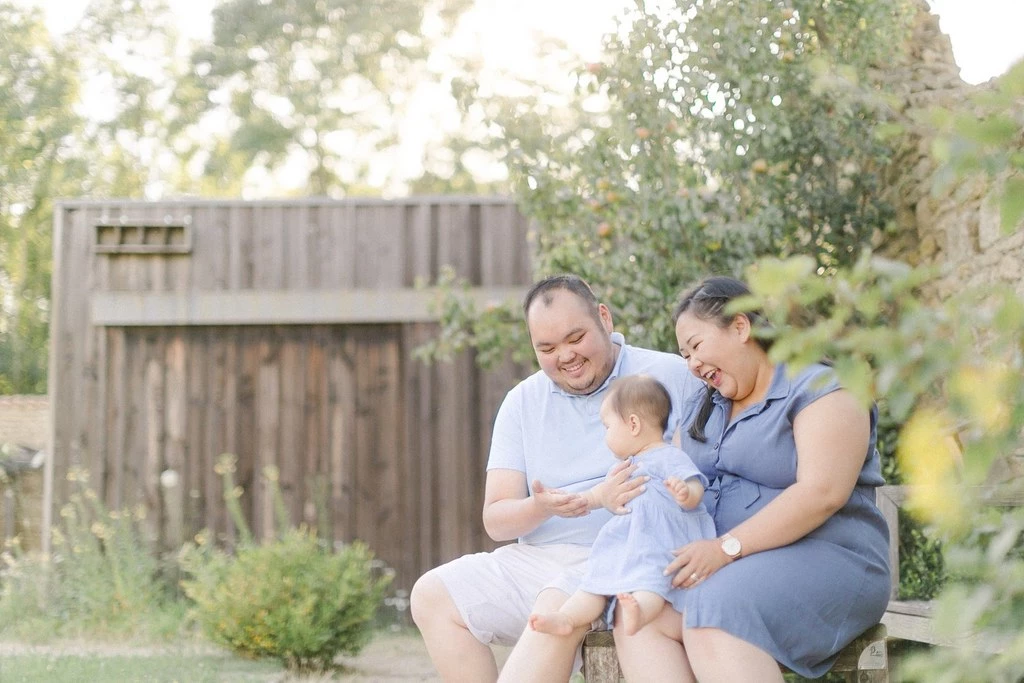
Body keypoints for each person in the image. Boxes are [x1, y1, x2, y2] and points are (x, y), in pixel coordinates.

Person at [409, 274, 703, 683]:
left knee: (548, 615)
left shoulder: (671, 376)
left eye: (575, 338)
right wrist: (539, 506)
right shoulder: (522, 401)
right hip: (538, 559)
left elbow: (704, 479)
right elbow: (496, 520)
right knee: (431, 595)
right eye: (546, 348)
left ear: (604, 317)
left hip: (626, 557)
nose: (565, 356)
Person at [611, 275, 891, 682]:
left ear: (740, 327)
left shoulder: (822, 387)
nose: (690, 363)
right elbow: (671, 472)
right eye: (684, 355)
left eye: (696, 346)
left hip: (831, 558)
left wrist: (725, 548)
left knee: (713, 608)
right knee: (638, 616)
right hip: (725, 565)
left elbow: (822, 493)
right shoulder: (702, 407)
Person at [528, 374, 716, 639]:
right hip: (624, 543)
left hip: (659, 542)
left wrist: (687, 494)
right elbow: (600, 496)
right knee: (594, 581)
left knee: (649, 580)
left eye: (607, 427)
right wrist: (580, 500)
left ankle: (639, 612)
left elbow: (694, 484)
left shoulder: (668, 456)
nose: (605, 436)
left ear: (633, 424)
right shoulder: (624, 467)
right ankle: (567, 617)